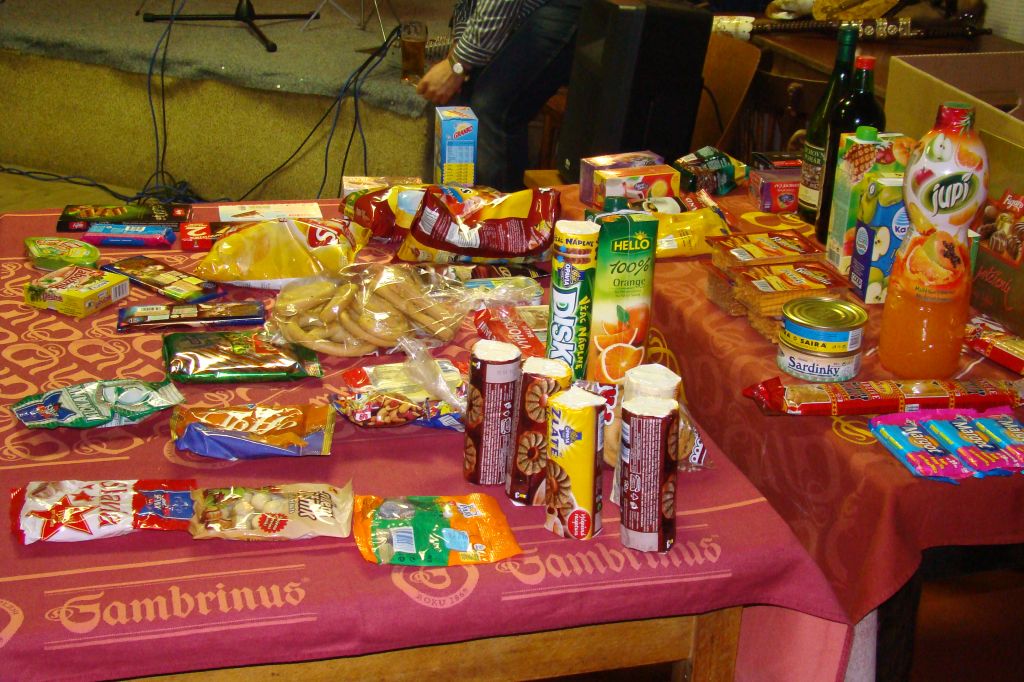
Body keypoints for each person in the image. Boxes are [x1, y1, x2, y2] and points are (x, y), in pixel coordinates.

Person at [416, 0, 583, 192]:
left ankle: (504, 208)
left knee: (491, 108)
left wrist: (458, 63)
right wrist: (457, 49)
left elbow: (501, 4)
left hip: (569, 6)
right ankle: (442, 199)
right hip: (518, 10)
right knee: (448, 96)